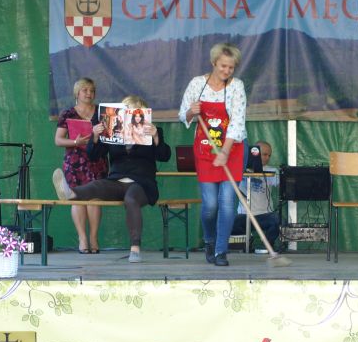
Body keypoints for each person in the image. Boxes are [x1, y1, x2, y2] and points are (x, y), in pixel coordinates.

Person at [52, 95, 171, 263]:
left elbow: (164, 156)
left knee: (131, 199)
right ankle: (70, 193)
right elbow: (94, 155)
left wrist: (156, 137)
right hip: (117, 180)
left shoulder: (153, 131)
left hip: (142, 183)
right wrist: (95, 136)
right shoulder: (112, 129)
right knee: (97, 185)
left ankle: (135, 249)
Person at [178, 42, 247, 267]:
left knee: (227, 202)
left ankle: (220, 251)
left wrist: (225, 151)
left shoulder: (237, 87)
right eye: (223, 66)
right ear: (214, 63)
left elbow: (237, 122)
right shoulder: (197, 84)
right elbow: (183, 115)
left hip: (232, 149)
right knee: (210, 206)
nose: (227, 71)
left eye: (231, 67)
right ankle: (209, 240)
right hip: (205, 150)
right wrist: (191, 111)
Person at [54, 77, 109, 254]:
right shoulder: (68, 113)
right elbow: (58, 140)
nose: (89, 93)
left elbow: (112, 136)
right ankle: (82, 238)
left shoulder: (103, 112)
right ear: (77, 93)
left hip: (97, 160)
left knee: (94, 199)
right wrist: (75, 142)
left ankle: (93, 238)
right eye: (85, 90)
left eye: (92, 90)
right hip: (75, 162)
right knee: (77, 199)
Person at [231, 141, 280, 251]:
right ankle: (248, 241)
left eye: (269, 155)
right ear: (255, 154)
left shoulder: (272, 171)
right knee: (229, 222)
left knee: (278, 220)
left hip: (264, 215)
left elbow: (282, 185)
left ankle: (266, 245)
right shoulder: (240, 169)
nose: (267, 158)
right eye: (264, 154)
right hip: (244, 215)